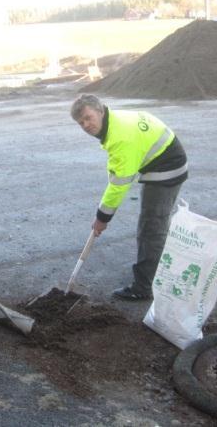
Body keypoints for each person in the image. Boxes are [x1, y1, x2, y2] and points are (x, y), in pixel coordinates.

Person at [70, 94, 188, 300]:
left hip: (167, 168)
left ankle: (143, 287)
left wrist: (102, 218)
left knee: (151, 228)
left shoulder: (120, 136)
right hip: (160, 161)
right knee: (154, 225)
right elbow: (118, 170)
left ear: (100, 110)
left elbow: (119, 185)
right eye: (81, 123)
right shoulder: (114, 122)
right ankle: (153, 267)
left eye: (88, 118)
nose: (86, 125)